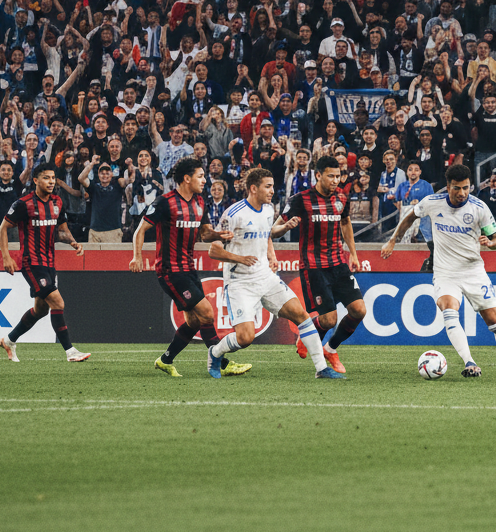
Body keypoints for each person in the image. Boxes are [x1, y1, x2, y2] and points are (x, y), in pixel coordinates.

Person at [381, 162, 496, 379]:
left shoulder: (479, 208)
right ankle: (469, 362)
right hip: (445, 272)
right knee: (449, 310)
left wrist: (490, 243)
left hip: (473, 272)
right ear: (448, 186)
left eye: (466, 188)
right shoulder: (432, 202)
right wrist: (392, 240)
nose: (462, 193)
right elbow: (411, 216)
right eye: (457, 188)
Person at [205, 168, 343, 379]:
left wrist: (279, 238)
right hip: (239, 282)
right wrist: (240, 259)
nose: (272, 191)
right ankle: (215, 353)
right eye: (267, 186)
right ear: (253, 188)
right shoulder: (234, 214)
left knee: (302, 315)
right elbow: (214, 249)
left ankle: (321, 368)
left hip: (265, 277)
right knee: (245, 338)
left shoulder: (269, 210)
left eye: (272, 186)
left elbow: (267, 233)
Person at [130, 157, 249, 378]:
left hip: (189, 269)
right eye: (201, 176)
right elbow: (140, 229)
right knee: (206, 313)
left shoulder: (199, 202)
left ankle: (165, 360)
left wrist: (218, 235)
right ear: (187, 178)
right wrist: (137, 257)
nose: (205, 180)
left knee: (194, 321)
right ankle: (221, 363)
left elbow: (204, 233)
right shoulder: (164, 202)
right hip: (170, 270)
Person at [270, 155, 365, 375]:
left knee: (359, 310)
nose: (335, 180)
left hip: (338, 263)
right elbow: (273, 230)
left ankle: (330, 349)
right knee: (329, 319)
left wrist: (353, 253)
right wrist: (285, 228)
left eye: (338, 176)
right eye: (331, 176)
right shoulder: (300, 199)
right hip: (314, 267)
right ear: (318, 175)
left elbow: (345, 221)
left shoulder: (342, 197)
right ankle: (311, 336)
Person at [0, 163, 90, 363]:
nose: (51, 182)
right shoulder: (23, 204)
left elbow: (62, 231)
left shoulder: (57, 202)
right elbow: (2, 228)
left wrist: (73, 242)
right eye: (46, 178)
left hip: (49, 262)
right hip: (31, 262)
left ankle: (9, 340)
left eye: (53, 178)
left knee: (41, 310)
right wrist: (6, 256)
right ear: (36, 181)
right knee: (58, 302)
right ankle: (70, 351)